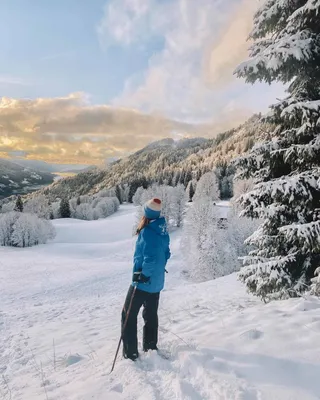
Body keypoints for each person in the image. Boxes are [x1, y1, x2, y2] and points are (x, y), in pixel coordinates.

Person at [121, 198, 171, 361]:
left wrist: (143, 275)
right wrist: (154, 272)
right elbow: (166, 254)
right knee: (150, 314)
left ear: (147, 213)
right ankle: (150, 346)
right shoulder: (162, 230)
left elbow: (150, 258)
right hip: (156, 282)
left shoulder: (148, 232)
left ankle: (131, 353)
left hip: (143, 282)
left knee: (128, 314)